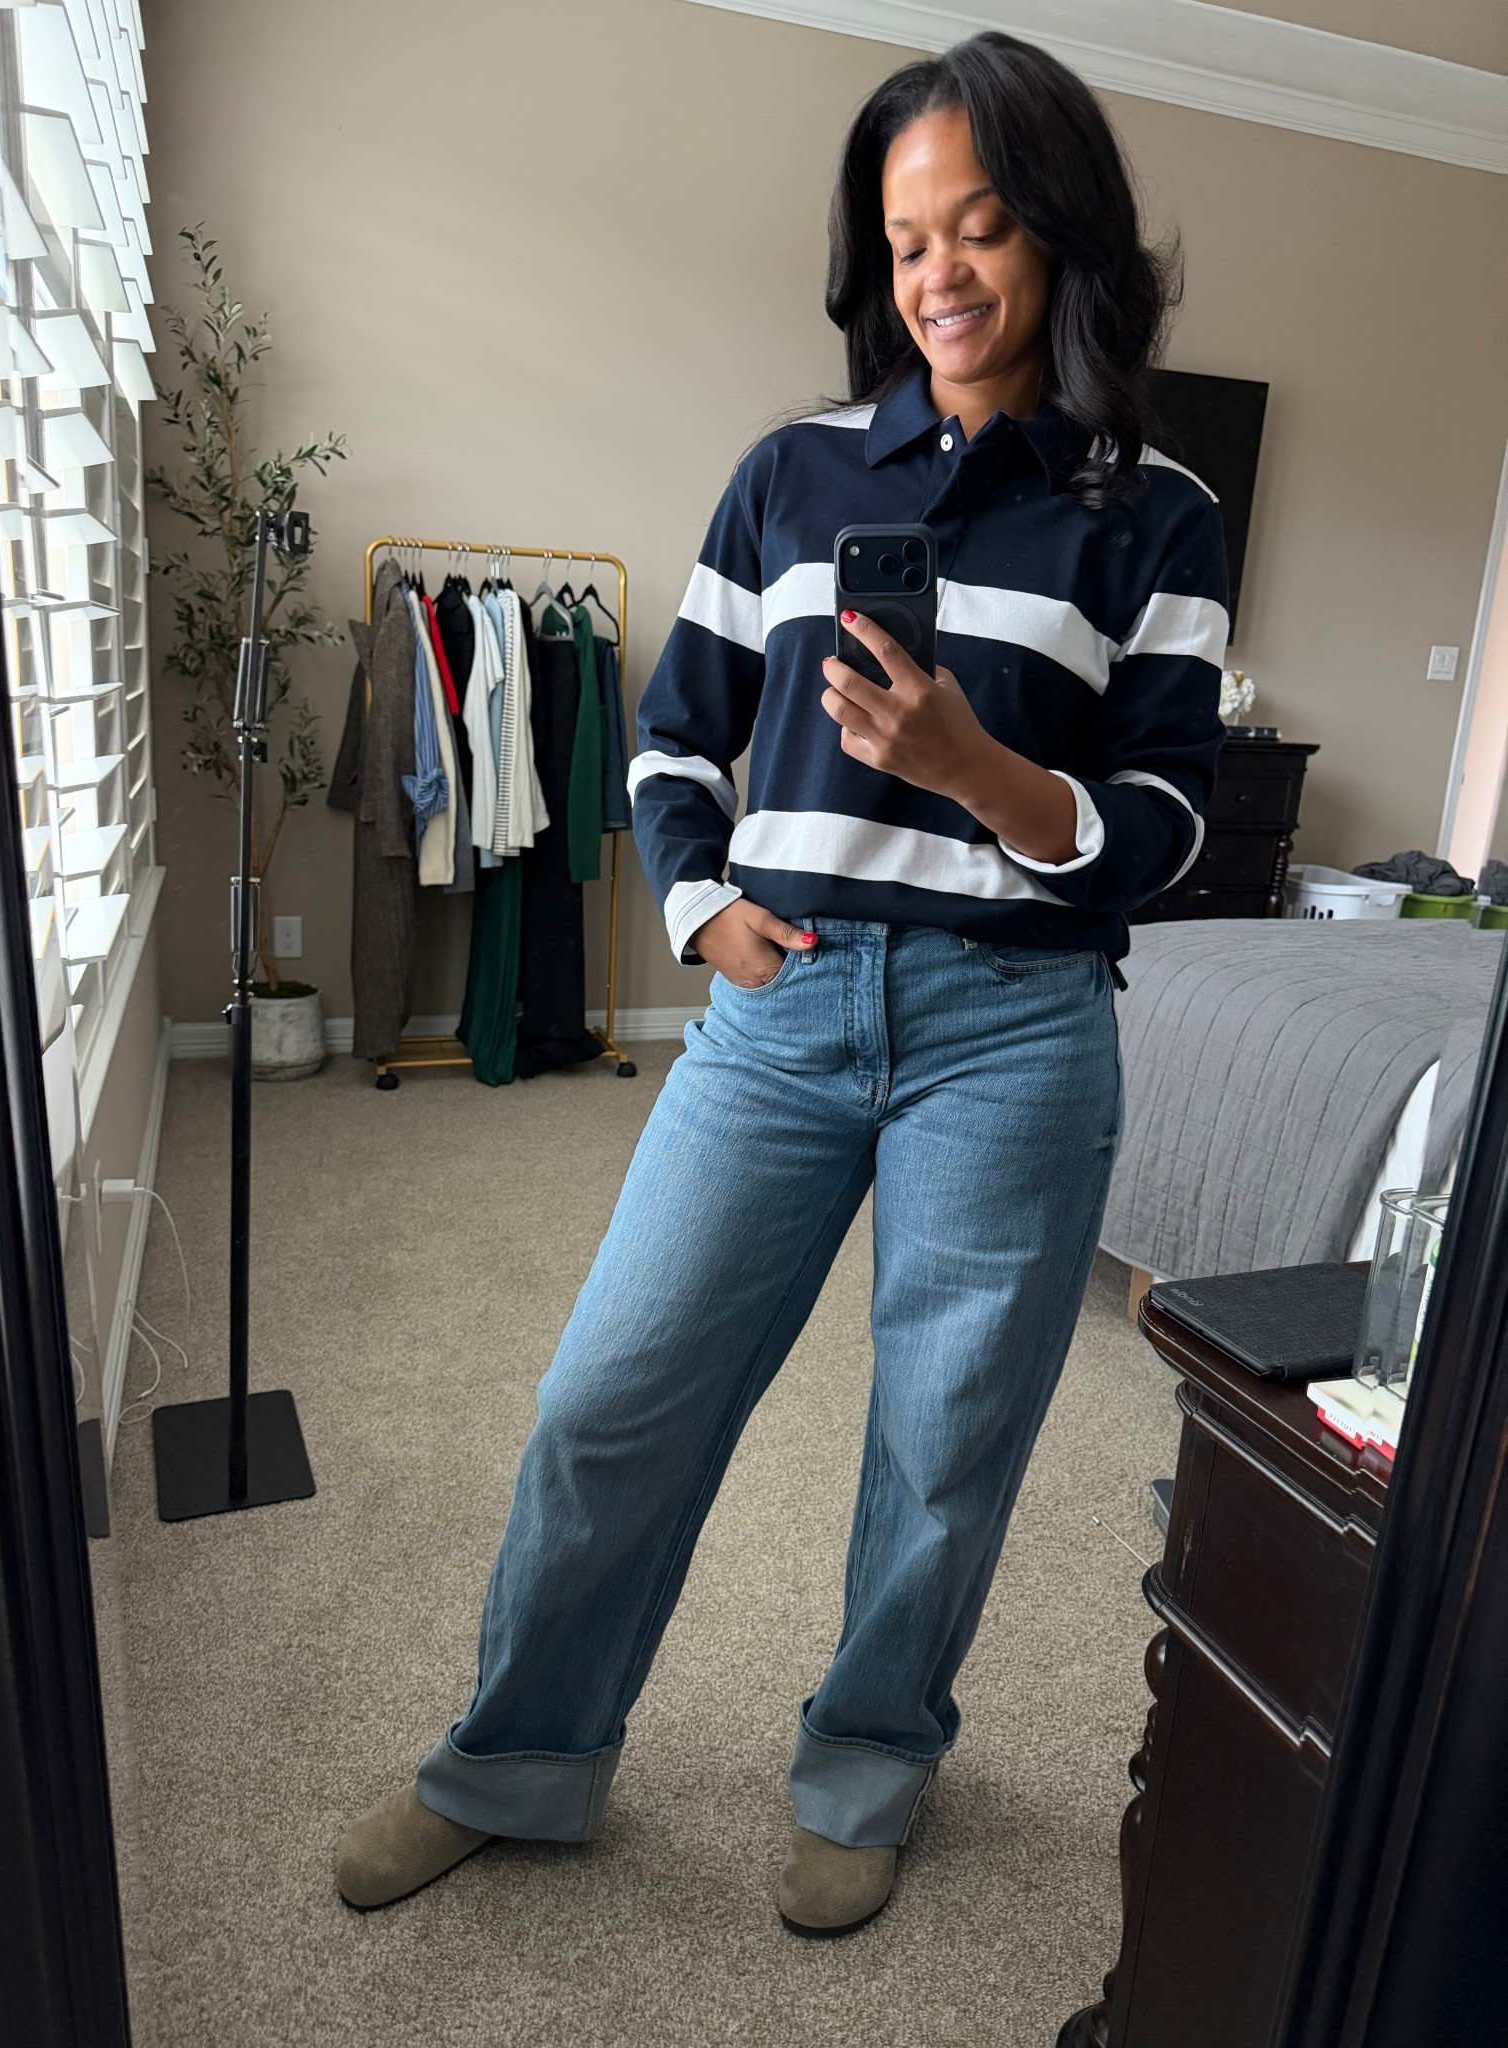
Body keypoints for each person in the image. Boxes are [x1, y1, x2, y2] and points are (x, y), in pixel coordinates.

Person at [337, 28, 1227, 1934]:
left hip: (1016, 1032)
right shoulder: (791, 475)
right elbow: (670, 744)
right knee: (614, 1396)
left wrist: (974, 771)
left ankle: (869, 1759)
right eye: (909, 240)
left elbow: (1170, 826)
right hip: (782, 1013)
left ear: (1063, 242)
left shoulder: (1155, 514)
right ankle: (517, 1757)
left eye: (983, 227)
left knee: (944, 1445)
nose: (943, 276)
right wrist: (696, 913)